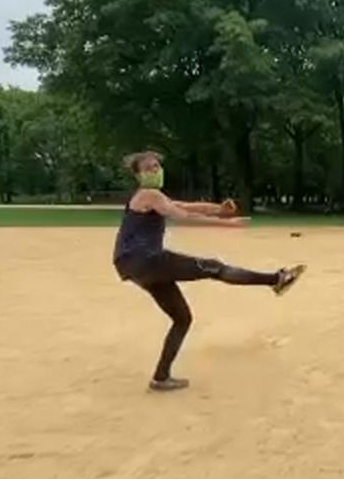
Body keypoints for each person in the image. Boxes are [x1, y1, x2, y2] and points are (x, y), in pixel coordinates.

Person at [113, 151, 307, 391]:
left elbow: (185, 205)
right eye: (149, 168)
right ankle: (275, 280)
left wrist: (218, 209)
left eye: (157, 166)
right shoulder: (149, 195)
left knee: (182, 318)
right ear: (138, 175)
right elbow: (182, 215)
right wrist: (225, 223)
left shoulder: (153, 197)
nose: (155, 171)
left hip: (135, 265)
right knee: (215, 267)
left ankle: (160, 377)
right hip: (144, 259)